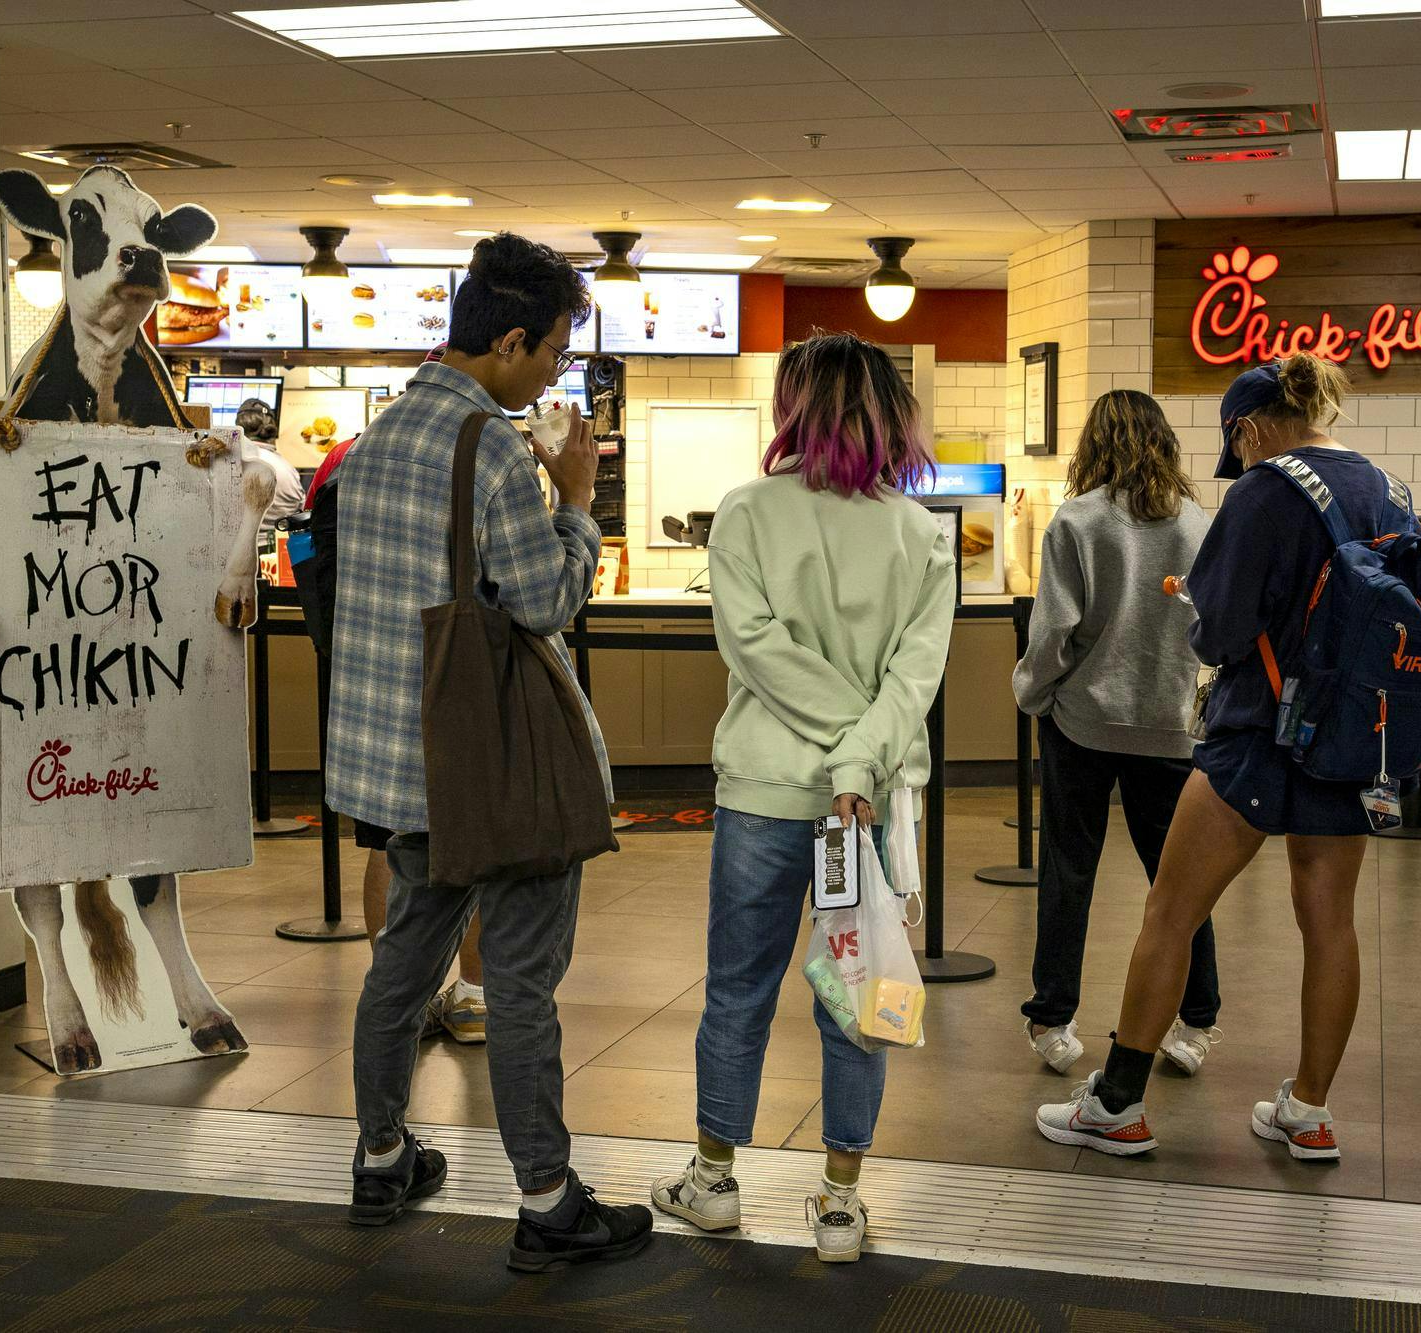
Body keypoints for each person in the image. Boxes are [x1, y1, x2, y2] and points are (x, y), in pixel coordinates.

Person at [325, 233, 651, 1270]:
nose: (556, 370)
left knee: (401, 967)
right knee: (518, 986)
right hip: (496, 775)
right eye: (554, 350)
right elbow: (547, 603)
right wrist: (577, 500)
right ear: (508, 340)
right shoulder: (495, 452)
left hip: (398, 766)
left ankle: (381, 1154)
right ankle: (549, 1201)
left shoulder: (374, 440)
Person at [650, 333, 955, 1264]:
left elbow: (759, 652)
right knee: (859, 996)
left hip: (764, 795)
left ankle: (712, 1182)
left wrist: (836, 749)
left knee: (739, 988)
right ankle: (839, 1203)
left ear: (793, 406)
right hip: (862, 815)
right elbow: (915, 679)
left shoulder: (744, 513)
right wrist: (860, 758)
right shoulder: (922, 533)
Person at [1043, 353, 1381, 1163]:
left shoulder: (1265, 489)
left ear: (1250, 427)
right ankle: (1309, 1110)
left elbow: (1222, 632)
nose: (1244, 463)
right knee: (1331, 923)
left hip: (1257, 738)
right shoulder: (1381, 487)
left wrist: (1197, 612)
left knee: (1170, 909)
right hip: (1343, 738)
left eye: (1242, 448)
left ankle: (1116, 1104)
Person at [1012, 390, 1220, 1084]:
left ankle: (1053, 1021)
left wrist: (1032, 693)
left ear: (1094, 441)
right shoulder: (1199, 524)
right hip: (1170, 729)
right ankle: (1195, 1024)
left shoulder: (1077, 521)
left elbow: (1053, 634)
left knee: (1069, 870)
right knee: (1182, 881)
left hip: (1081, 724)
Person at [302, 420, 484, 1042]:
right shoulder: (472, 456)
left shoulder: (346, 458)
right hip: (454, 672)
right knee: (478, 843)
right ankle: (475, 999)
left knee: (386, 843)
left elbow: (309, 556)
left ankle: (396, 998)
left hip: (365, 678)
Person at [232, 397, 304, 545]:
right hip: (279, 554)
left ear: (238, 429)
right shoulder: (288, 471)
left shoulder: (228, 465)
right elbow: (299, 511)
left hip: (234, 555)